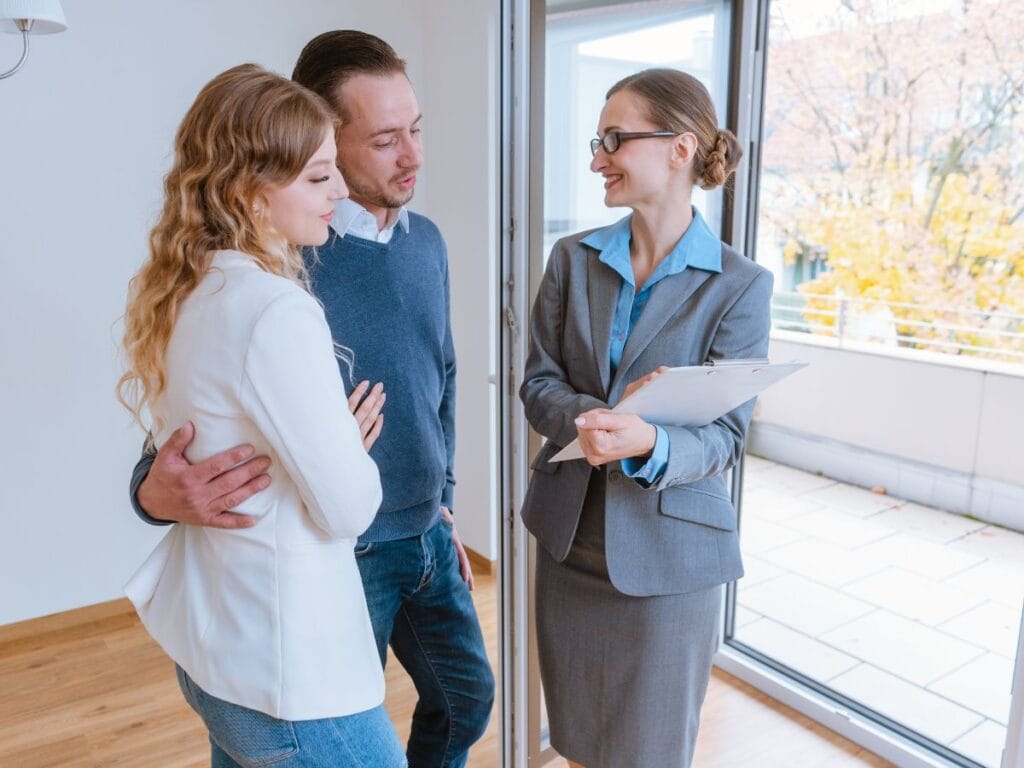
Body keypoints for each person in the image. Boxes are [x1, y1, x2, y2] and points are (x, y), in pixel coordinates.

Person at [127, 32, 494, 768]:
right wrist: (151, 493)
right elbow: (190, 428)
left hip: (424, 531)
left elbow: (443, 376)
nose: (413, 155)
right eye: (386, 139)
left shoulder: (428, 245)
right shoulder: (283, 268)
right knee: (299, 721)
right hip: (339, 551)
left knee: (465, 699)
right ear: (316, 137)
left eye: (416, 129)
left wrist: (443, 498)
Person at [519, 68, 773, 768]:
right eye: (598, 141)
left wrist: (651, 441)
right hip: (569, 544)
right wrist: (596, 421)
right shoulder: (571, 260)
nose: (598, 158)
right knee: (578, 741)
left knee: (648, 752)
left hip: (671, 563)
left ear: (680, 148)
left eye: (614, 139)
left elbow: (724, 437)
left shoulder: (740, 286)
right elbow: (538, 383)